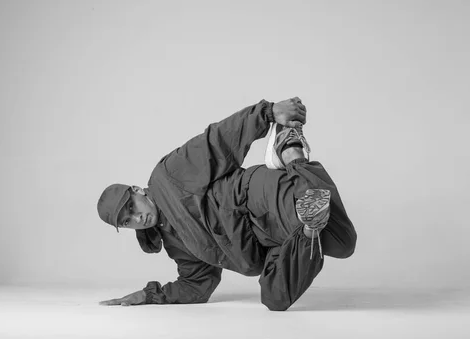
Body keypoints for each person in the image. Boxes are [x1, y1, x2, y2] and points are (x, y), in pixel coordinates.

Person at [96, 98, 357, 311]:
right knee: (275, 298)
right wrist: (148, 296)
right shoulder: (174, 242)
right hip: (269, 241)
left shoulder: (167, 175)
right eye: (127, 221)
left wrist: (267, 112)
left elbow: (216, 141)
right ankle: (310, 225)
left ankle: (291, 152)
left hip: (259, 199)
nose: (136, 219)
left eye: (131, 208)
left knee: (343, 243)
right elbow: (196, 284)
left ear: (137, 190)